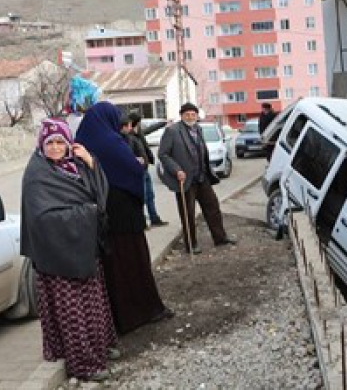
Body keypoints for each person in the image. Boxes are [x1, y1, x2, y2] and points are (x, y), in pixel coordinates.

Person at [20, 118, 117, 382]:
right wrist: (86, 214)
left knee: (92, 303)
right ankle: (83, 364)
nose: (54, 148)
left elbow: (101, 196)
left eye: (59, 142)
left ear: (68, 142)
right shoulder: (37, 174)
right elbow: (40, 218)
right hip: (57, 255)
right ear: (41, 144)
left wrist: (91, 162)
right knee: (72, 312)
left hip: (84, 246)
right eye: (49, 142)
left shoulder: (75, 166)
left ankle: (99, 348)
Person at [76, 101, 173, 334]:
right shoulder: (110, 141)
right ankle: (144, 311)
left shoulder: (82, 140)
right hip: (123, 212)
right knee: (134, 261)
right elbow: (131, 169)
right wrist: (138, 164)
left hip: (100, 214)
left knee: (112, 268)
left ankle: (118, 318)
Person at [157, 102, 237, 254]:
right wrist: (176, 170)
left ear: (196, 115)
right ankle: (191, 244)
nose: (190, 117)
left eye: (193, 114)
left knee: (213, 207)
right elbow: (163, 154)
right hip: (185, 179)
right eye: (187, 114)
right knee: (188, 214)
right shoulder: (172, 131)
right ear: (181, 116)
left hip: (202, 177)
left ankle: (220, 238)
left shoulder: (198, 129)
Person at [128, 112, 168, 227]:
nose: (140, 125)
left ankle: (154, 218)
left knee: (150, 195)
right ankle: (142, 222)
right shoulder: (129, 137)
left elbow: (150, 129)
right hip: (138, 171)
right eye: (139, 123)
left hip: (145, 170)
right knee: (142, 197)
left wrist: (163, 123)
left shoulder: (139, 134)